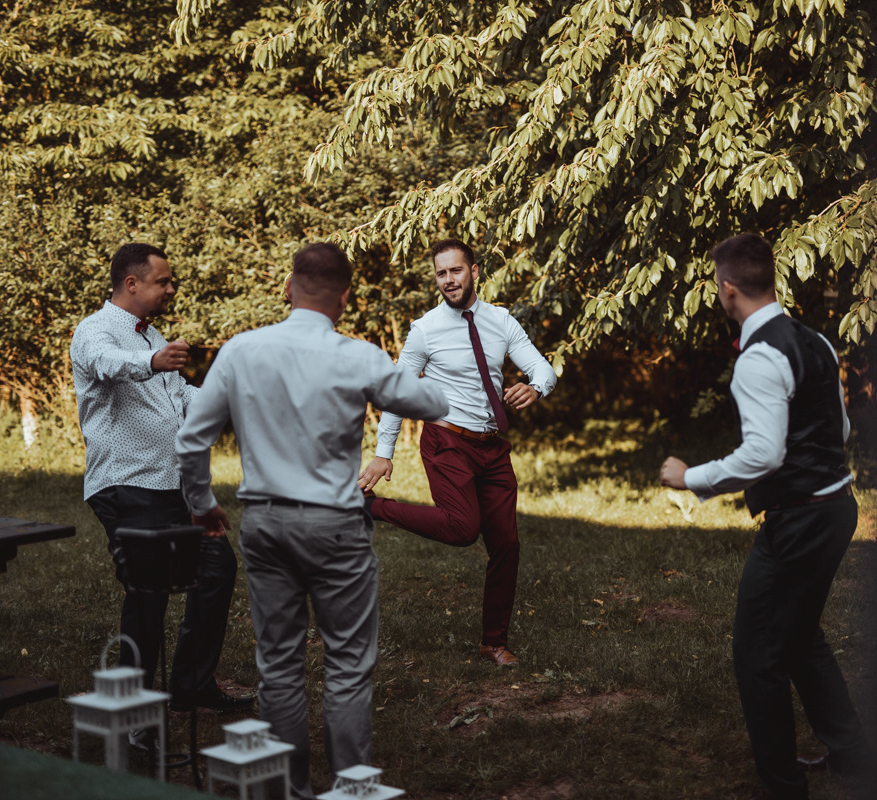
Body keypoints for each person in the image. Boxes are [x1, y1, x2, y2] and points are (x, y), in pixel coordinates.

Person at [175, 243, 448, 798]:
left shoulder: (242, 351)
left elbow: (191, 439)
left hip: (266, 525)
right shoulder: (360, 357)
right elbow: (433, 405)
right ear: (345, 298)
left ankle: (288, 790)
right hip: (336, 528)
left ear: (287, 288)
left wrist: (201, 504)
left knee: (277, 665)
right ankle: (351, 789)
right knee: (347, 662)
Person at [659, 233, 871, 800]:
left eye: (717, 286)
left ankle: (782, 786)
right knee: (800, 637)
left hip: (800, 521)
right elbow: (840, 427)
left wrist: (690, 477)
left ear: (728, 289)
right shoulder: (815, 341)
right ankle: (854, 755)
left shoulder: (758, 358)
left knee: (758, 654)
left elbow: (762, 455)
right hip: (838, 509)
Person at [70, 243, 251, 736]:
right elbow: (108, 363)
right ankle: (134, 713)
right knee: (148, 592)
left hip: (170, 484)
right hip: (125, 483)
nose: (171, 289)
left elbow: (179, 396)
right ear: (132, 283)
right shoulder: (94, 331)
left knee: (217, 568)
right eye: (163, 281)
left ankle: (191, 686)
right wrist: (152, 359)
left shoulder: (153, 335)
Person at [357, 238, 558, 667]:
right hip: (447, 440)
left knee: (507, 544)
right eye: (441, 273)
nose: (448, 280)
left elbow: (542, 366)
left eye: (456, 270)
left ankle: (493, 643)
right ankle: (372, 508)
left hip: (492, 447)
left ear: (475, 271)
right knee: (463, 528)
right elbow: (396, 392)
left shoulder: (501, 320)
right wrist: (383, 453)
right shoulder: (425, 329)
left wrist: (536, 387)